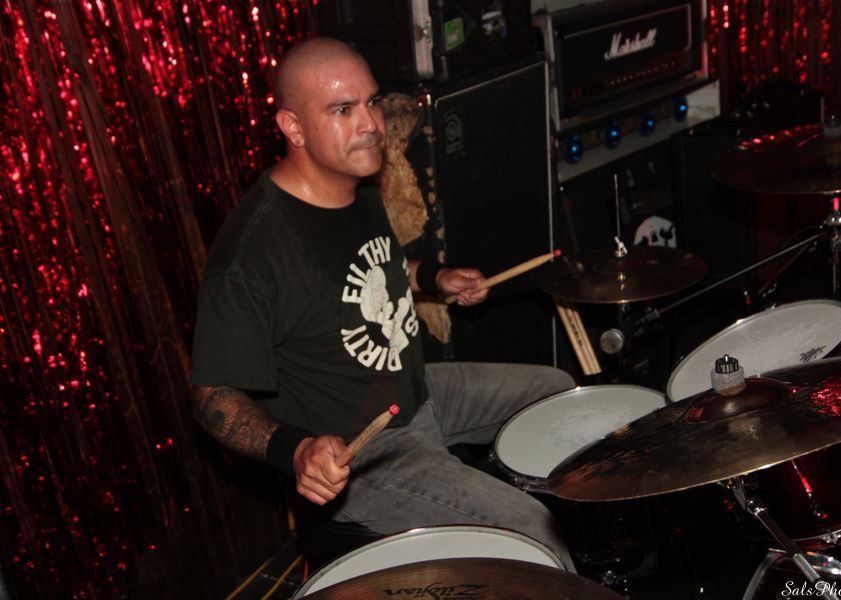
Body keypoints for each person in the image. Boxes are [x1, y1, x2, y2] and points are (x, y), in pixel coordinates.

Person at [190, 37, 576, 568]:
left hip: (415, 391)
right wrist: (296, 450)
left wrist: (436, 278)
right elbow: (212, 397)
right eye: (342, 110)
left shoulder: (354, 183)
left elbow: (375, 270)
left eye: (371, 101)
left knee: (560, 397)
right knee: (535, 531)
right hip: (364, 450)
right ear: (293, 128)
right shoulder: (251, 253)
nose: (371, 124)